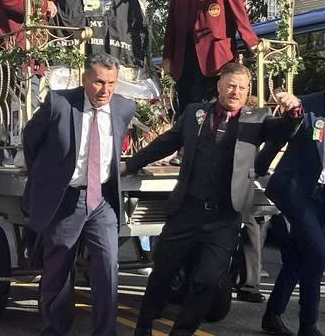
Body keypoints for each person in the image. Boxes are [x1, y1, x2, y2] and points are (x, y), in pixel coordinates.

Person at [124, 63, 303, 336]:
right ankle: (144, 327)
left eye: (242, 88)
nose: (236, 92)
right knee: (162, 274)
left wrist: (295, 110)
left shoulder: (257, 119)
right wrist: (131, 164)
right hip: (186, 210)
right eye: (231, 85)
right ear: (219, 85)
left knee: (207, 280)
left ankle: (182, 332)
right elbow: (166, 143)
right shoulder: (194, 113)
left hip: (224, 217)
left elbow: (286, 130)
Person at [21, 53, 135, 336]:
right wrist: (47, 177)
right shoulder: (59, 103)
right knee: (58, 268)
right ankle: (55, 329)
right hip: (67, 198)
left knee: (107, 265)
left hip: (102, 200)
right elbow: (31, 140)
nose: (105, 90)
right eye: (98, 82)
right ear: (85, 79)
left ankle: (105, 332)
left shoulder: (124, 107)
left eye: (111, 83)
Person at [257, 61, 325, 336]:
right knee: (318, 255)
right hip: (294, 190)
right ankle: (309, 325)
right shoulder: (305, 106)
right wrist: (258, 169)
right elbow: (277, 138)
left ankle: (272, 316)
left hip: (322, 195)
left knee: (298, 257)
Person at [162, 0, 259, 115]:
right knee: (186, 112)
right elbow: (171, 24)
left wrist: (252, 43)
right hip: (184, 58)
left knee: (212, 111)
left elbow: (239, 13)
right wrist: (167, 57)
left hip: (215, 59)